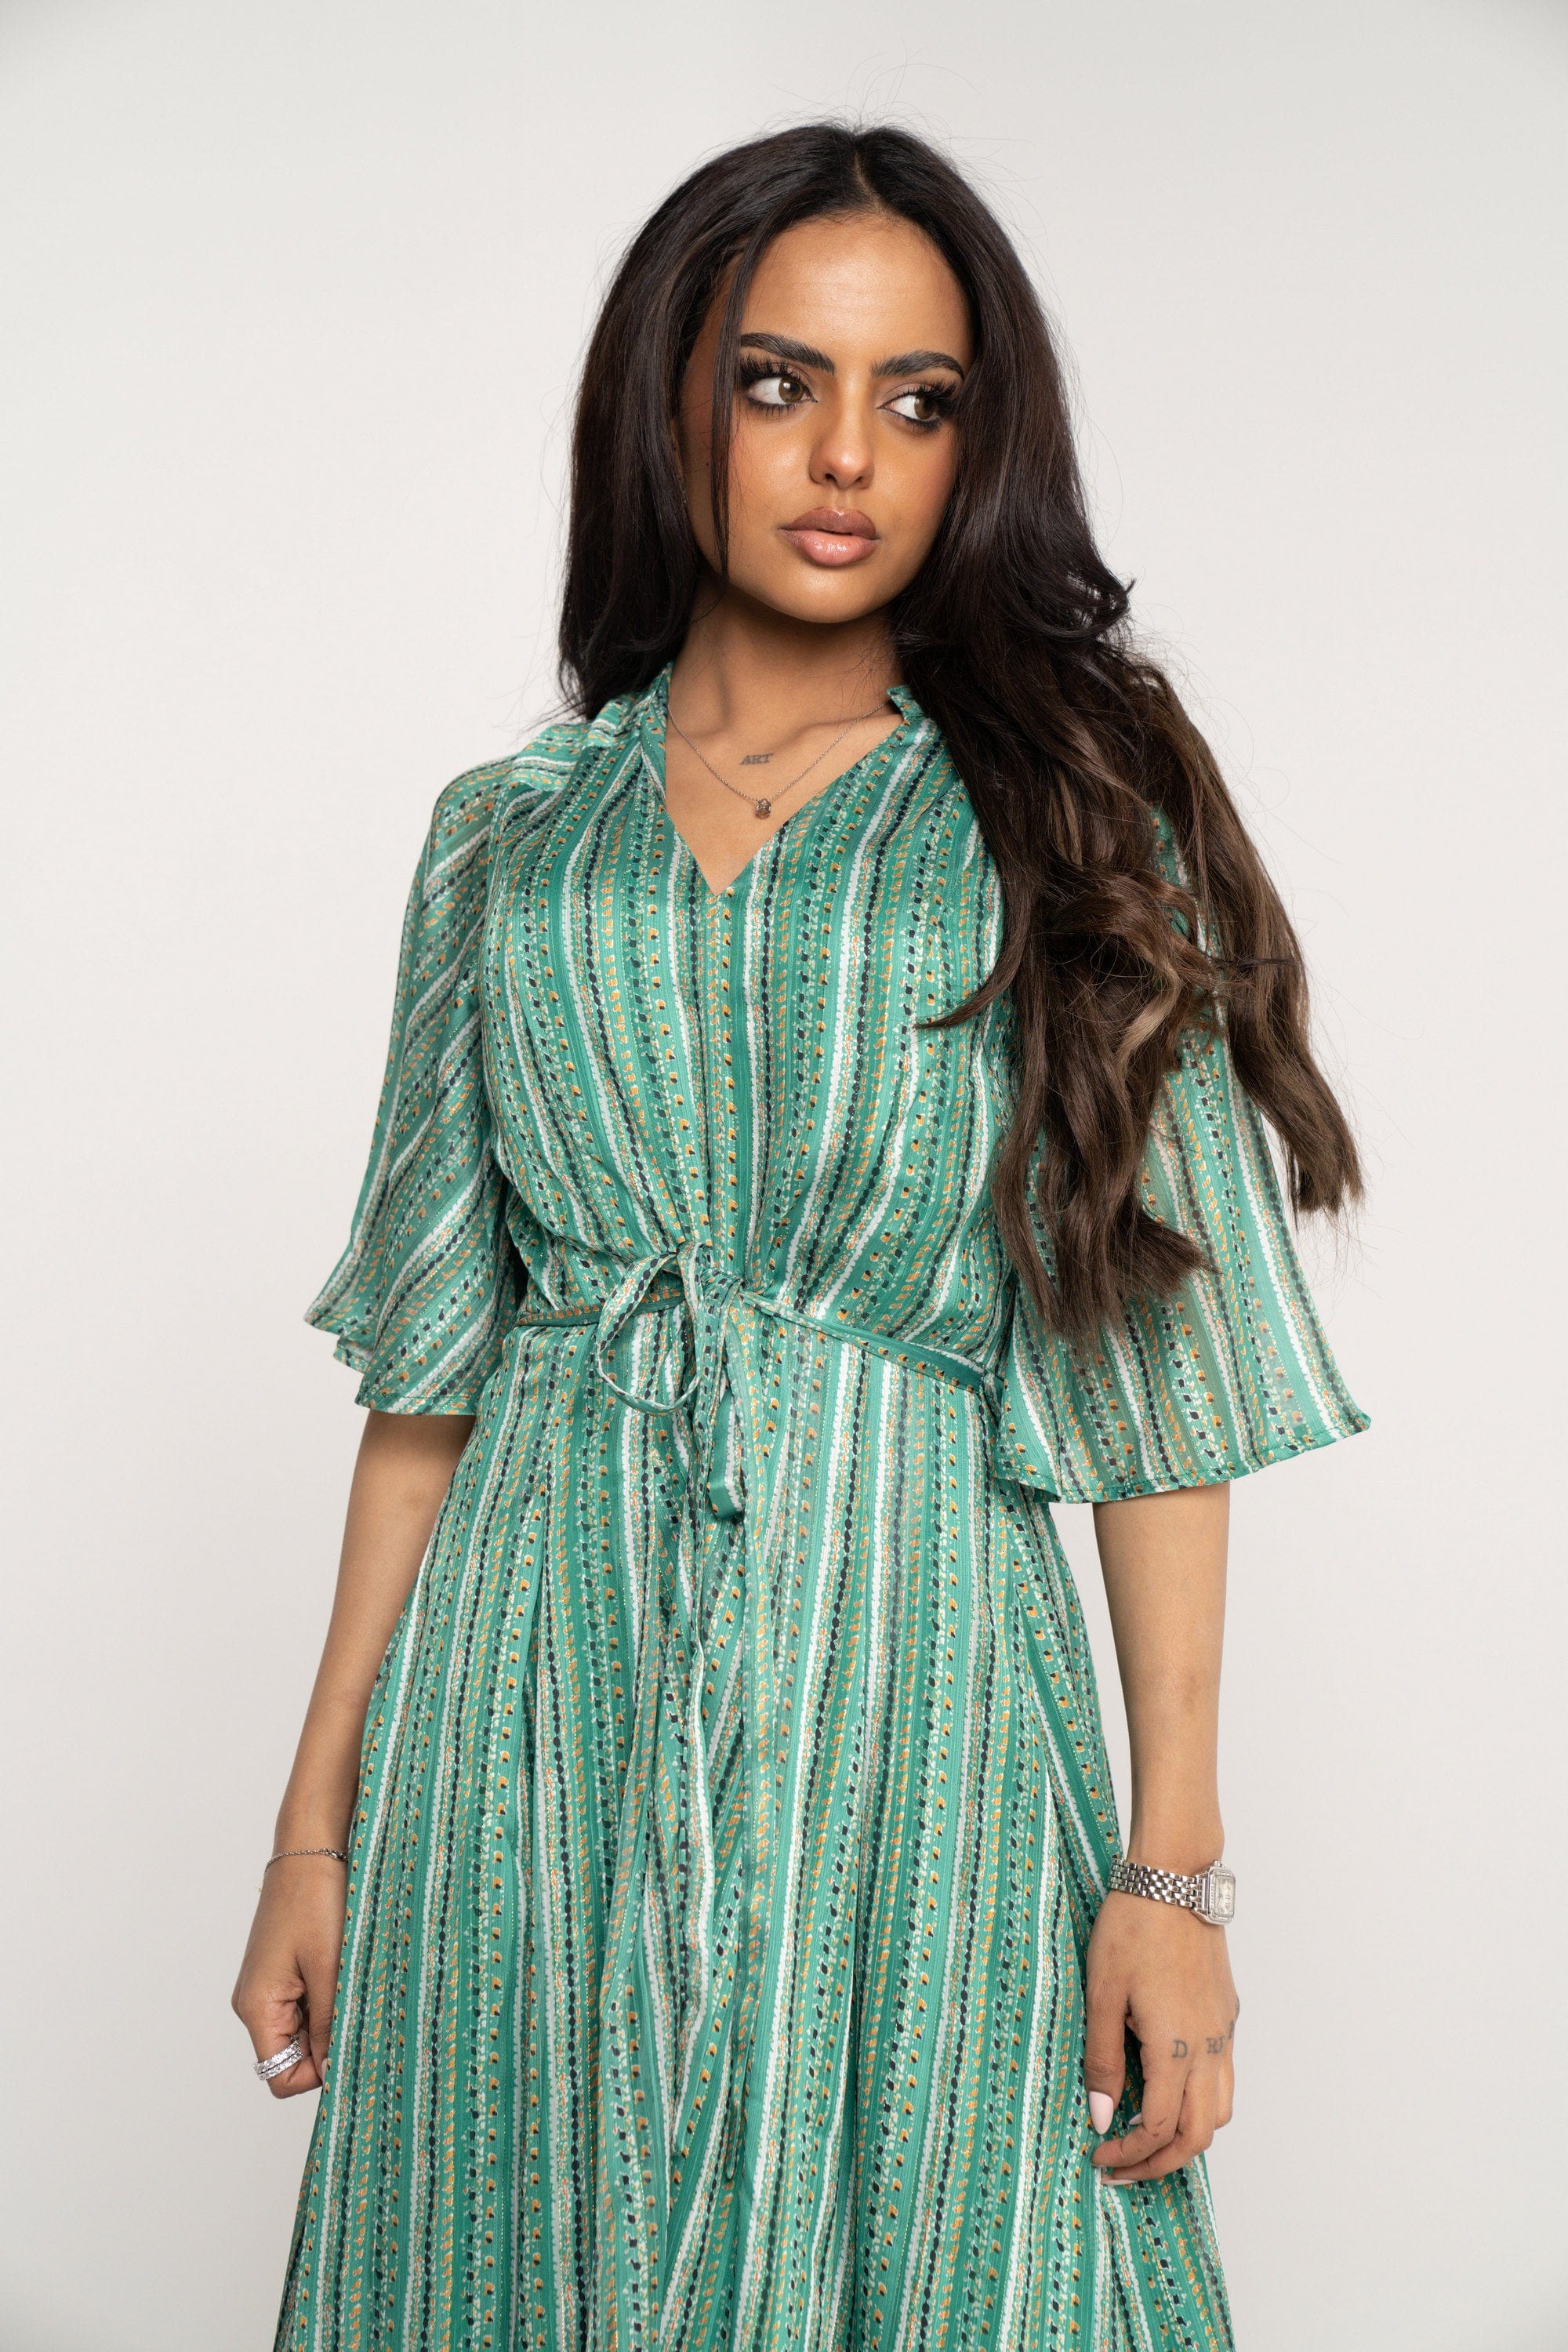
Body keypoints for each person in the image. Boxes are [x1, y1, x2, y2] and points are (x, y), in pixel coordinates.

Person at [234, 121, 1366, 2352]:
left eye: (918, 402)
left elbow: (1155, 1381)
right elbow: (432, 1374)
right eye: (780, 382)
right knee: (508, 2254)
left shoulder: (1070, 817)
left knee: (957, 2258)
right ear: (672, 399)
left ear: (977, 448)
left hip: (914, 1679)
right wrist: (313, 1826)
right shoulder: (507, 841)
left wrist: (1173, 1869)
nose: (848, 456)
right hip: (529, 1704)